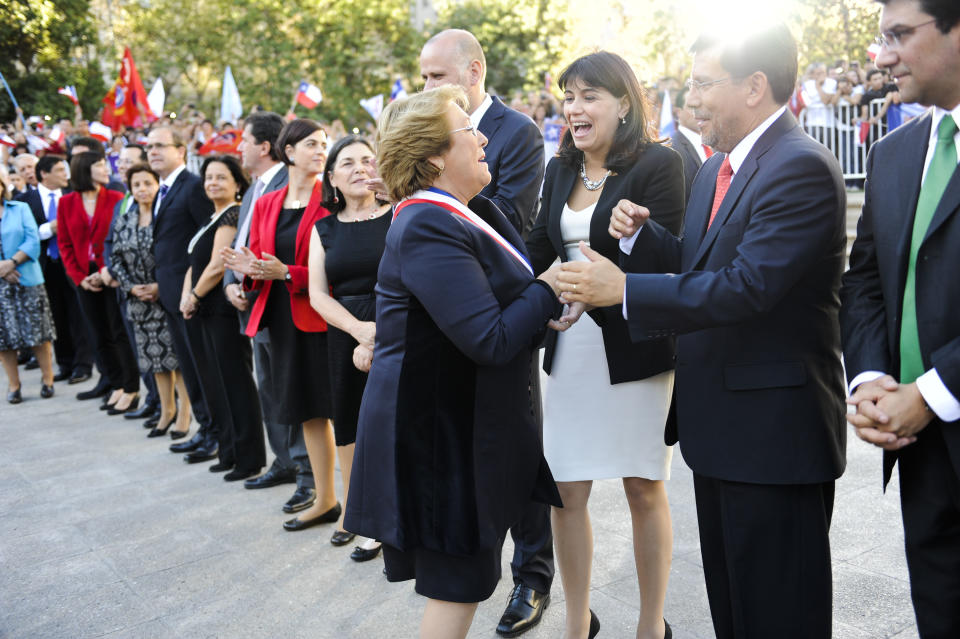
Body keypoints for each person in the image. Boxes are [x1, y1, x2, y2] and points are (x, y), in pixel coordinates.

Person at [556, 23, 847, 639]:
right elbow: (699, 263)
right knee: (736, 612)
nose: (689, 100)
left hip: (774, 439)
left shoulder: (798, 166)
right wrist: (643, 239)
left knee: (779, 614)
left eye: (702, 84)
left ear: (755, 86)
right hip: (720, 432)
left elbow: (747, 286)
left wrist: (626, 290)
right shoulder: (719, 168)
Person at [343, 85, 564, 639]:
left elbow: (491, 305)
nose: (484, 135)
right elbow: (488, 338)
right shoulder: (427, 222)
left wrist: (540, 304)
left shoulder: (465, 211)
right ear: (436, 153)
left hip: (459, 429)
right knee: (458, 586)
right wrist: (550, 286)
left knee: (465, 583)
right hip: (438, 442)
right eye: (469, 127)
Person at [525, 51, 684, 639]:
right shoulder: (559, 169)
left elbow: (676, 262)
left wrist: (639, 231)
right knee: (565, 492)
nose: (574, 107)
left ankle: (650, 626)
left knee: (644, 486)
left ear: (624, 102)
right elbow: (538, 249)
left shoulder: (659, 165)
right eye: (568, 96)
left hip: (633, 349)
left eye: (589, 95)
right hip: (569, 353)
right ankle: (574, 622)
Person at [417, 29, 554, 636]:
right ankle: (475, 564)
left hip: (506, 305)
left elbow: (509, 214)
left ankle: (533, 573)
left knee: (520, 442)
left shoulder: (517, 131)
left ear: (473, 72)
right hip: (454, 308)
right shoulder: (428, 131)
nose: (425, 86)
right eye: (422, 77)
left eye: (435, 77)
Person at [841, 1, 960, 636]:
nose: (883, 57)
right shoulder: (894, 154)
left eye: (900, 36)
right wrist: (868, 382)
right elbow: (864, 282)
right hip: (918, 448)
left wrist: (935, 393)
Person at [221, 119, 338, 530]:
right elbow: (261, 261)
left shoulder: (332, 198)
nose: (321, 150)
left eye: (324, 143)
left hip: (325, 319)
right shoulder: (269, 203)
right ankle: (325, 499)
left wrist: (287, 273)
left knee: (341, 414)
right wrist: (247, 271)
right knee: (306, 412)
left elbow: (337, 268)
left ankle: (356, 513)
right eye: (311, 144)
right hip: (282, 321)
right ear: (288, 151)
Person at [308, 135, 390, 560]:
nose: (360, 167)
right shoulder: (323, 228)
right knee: (352, 427)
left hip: (397, 324)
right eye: (348, 163)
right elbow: (318, 294)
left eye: (367, 159)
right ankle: (365, 517)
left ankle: (398, 515)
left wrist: (379, 333)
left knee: (393, 425)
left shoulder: (399, 213)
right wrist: (360, 331)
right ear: (332, 179)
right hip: (346, 332)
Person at [181, 155, 265, 481]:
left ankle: (249, 457)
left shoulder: (232, 214)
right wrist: (187, 297)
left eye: (221, 177)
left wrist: (194, 296)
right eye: (208, 178)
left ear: (237, 183)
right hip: (204, 309)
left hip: (221, 310)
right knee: (215, 383)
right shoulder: (210, 217)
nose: (213, 183)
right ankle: (228, 450)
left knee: (235, 383)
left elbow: (218, 265)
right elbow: (194, 262)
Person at [147, 126, 218, 463]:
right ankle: (205, 427)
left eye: (160, 146)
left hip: (192, 296)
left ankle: (214, 432)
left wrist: (195, 289)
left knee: (202, 367)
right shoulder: (165, 189)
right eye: (149, 147)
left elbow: (208, 239)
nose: (153, 152)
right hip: (172, 294)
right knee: (189, 367)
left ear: (181, 150)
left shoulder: (192, 187)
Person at [57, 151, 141, 414]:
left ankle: (131, 387)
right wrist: (80, 278)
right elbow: (65, 244)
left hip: (112, 274)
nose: (108, 169)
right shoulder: (67, 203)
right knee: (98, 333)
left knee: (119, 332)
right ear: (85, 169)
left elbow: (119, 239)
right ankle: (114, 384)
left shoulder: (116, 198)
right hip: (83, 277)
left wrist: (107, 270)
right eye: (100, 165)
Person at [108, 163, 187, 438]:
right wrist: (131, 288)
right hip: (138, 302)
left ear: (158, 185)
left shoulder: (163, 216)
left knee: (176, 360)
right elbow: (115, 257)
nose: (142, 189)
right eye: (136, 185)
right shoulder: (124, 219)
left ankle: (184, 415)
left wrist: (158, 286)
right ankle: (166, 411)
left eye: (147, 183)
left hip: (164, 297)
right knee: (154, 362)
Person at [15, 155, 94, 384]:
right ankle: (66, 363)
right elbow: (24, 234)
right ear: (44, 174)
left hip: (73, 263)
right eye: (59, 170)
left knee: (78, 314)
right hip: (44, 265)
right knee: (55, 317)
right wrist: (50, 228)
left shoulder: (73, 195)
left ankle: (83, 364)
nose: (65, 174)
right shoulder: (25, 201)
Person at [102, 143, 163, 423]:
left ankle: (170, 408)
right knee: (145, 355)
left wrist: (156, 285)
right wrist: (126, 284)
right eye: (122, 163)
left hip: (160, 294)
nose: (122, 166)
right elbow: (112, 247)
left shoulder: (164, 210)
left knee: (168, 357)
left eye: (129, 161)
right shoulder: (123, 207)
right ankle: (154, 400)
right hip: (132, 294)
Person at [0, 192, 56, 403]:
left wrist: (11, 263)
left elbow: (32, 240)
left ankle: (48, 379)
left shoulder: (19, 208)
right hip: (1, 284)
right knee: (4, 338)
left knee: (39, 331)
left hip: (27, 276)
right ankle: (14, 385)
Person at [671, 85, 711, 200]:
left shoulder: (715, 145)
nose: (699, 111)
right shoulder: (673, 149)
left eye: (702, 104)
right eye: (692, 107)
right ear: (678, 112)